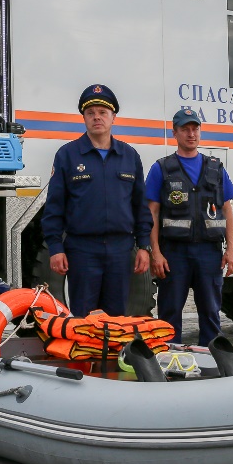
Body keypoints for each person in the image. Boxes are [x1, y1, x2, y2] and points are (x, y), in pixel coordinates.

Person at [41, 84, 152, 317]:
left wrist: (144, 246)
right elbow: (54, 207)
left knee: (116, 319)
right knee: (83, 318)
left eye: (102, 112)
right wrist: (55, 248)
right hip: (82, 250)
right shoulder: (68, 155)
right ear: (84, 118)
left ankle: (114, 355)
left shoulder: (129, 156)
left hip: (120, 250)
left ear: (113, 117)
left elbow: (140, 206)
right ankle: (87, 355)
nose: (96, 118)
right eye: (90, 113)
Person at [146, 108, 233, 345]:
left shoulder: (216, 168)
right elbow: (152, 213)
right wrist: (155, 252)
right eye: (185, 129)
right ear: (174, 133)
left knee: (210, 312)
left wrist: (231, 250)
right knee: (169, 313)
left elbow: (227, 210)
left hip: (209, 252)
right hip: (174, 253)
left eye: (195, 128)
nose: (191, 134)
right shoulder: (162, 169)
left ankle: (211, 359)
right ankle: (169, 361)